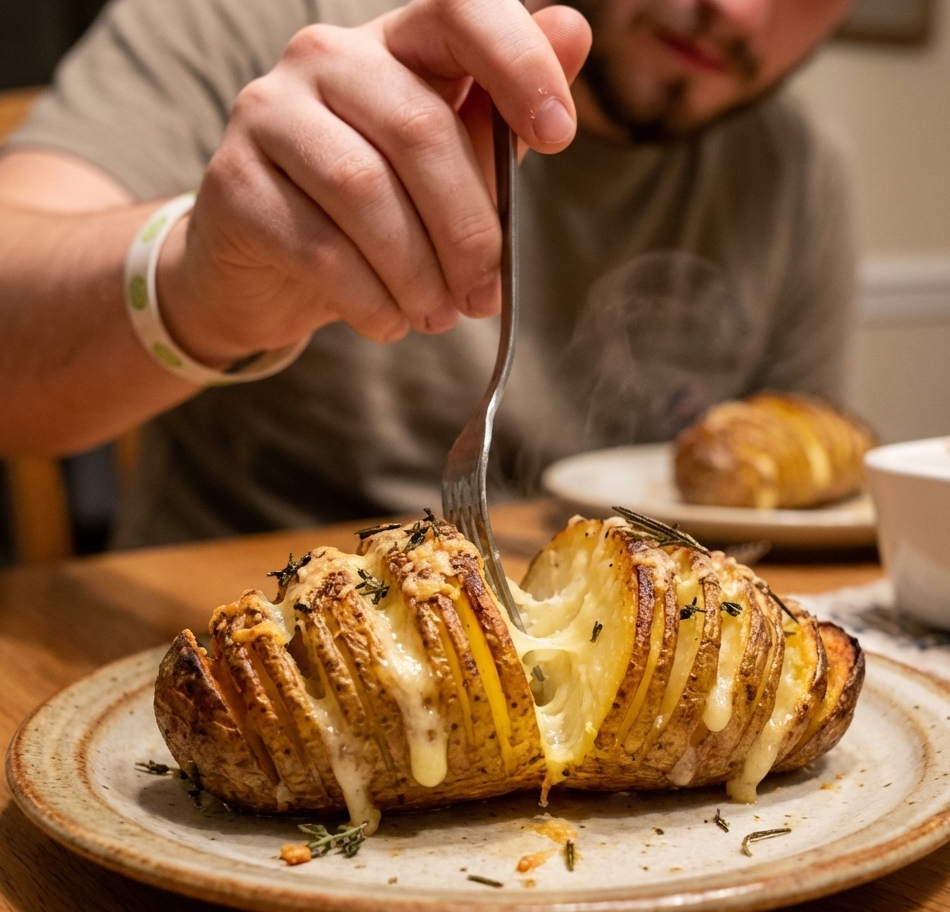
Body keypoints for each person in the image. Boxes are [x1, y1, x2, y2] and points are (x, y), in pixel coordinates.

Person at [0, 0, 857, 546]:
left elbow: (787, 527)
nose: (739, 12)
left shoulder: (793, 165)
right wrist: (195, 282)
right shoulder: (263, 16)